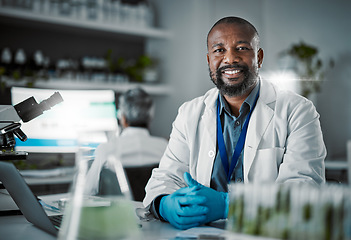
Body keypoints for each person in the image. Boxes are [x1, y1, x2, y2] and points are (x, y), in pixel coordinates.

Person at [142, 16, 326, 230]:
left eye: (241, 48)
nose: (230, 58)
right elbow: (165, 178)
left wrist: (227, 205)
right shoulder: (189, 113)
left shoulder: (297, 111)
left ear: (259, 57)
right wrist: (165, 204)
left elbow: (303, 192)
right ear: (209, 60)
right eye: (219, 50)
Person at [85, 87, 168, 196]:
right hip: (151, 211)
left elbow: (87, 191)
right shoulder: (164, 147)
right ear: (150, 118)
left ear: (123, 118)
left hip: (118, 211)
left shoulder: (106, 150)